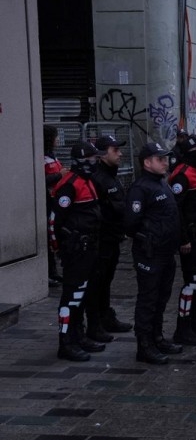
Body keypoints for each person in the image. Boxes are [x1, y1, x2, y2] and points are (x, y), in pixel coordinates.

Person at [124, 142, 182, 364]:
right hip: (150, 253)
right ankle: (144, 345)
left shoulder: (162, 183)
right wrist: (149, 236)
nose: (165, 162)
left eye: (166, 158)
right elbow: (130, 223)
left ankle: (157, 337)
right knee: (148, 299)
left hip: (166, 252)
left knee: (161, 297)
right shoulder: (141, 188)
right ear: (147, 162)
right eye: (160, 159)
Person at [49, 142, 106, 361]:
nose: (96, 162)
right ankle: (66, 342)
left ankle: (78, 334)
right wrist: (59, 248)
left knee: (82, 293)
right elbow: (55, 220)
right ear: (82, 161)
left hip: (89, 247)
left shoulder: (87, 181)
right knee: (71, 296)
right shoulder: (69, 184)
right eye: (93, 159)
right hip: (75, 249)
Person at [86, 135, 132, 343]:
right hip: (100, 240)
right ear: (103, 154)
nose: (120, 153)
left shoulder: (111, 176)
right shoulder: (97, 178)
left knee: (106, 281)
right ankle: (94, 323)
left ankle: (105, 316)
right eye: (116, 150)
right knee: (97, 281)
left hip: (112, 239)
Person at [168, 134, 196, 347]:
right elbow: (176, 209)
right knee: (190, 283)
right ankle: (182, 327)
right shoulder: (183, 175)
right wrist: (183, 239)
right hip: (189, 237)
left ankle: (194, 320)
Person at [43, 125, 67, 287]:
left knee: (54, 238)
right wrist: (60, 175)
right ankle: (50, 273)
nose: (58, 139)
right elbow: (43, 179)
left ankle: (54, 272)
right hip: (47, 203)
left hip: (55, 202)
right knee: (48, 238)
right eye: (55, 136)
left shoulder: (52, 156)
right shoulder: (42, 158)